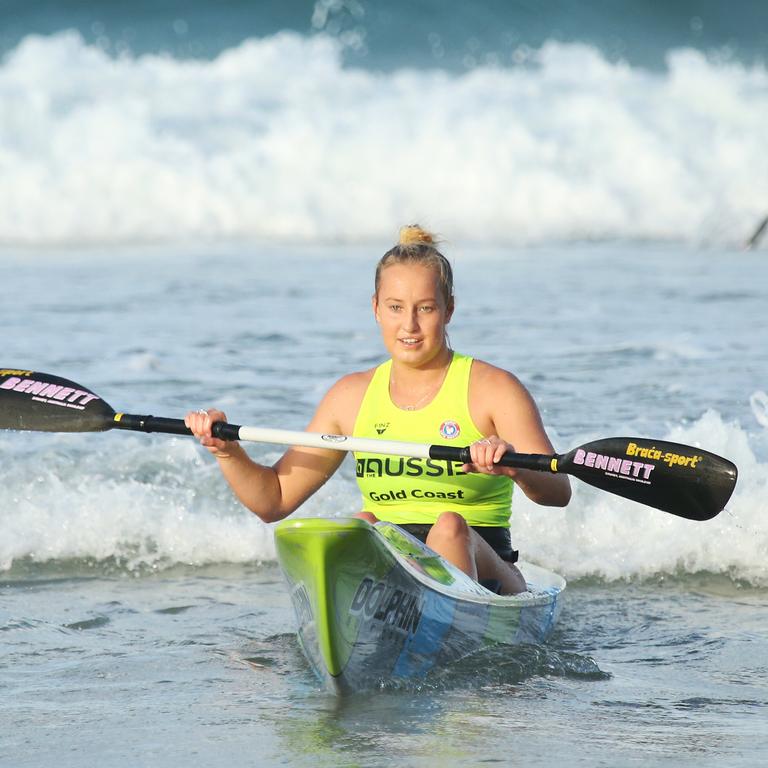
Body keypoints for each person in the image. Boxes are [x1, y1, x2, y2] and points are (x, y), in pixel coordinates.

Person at [185, 225, 571, 594]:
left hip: (485, 569)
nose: (410, 325)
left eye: (425, 308)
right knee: (361, 525)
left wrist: (515, 465)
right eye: (395, 307)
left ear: (448, 310)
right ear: (375, 308)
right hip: (395, 570)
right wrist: (227, 451)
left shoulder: (494, 389)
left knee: (449, 527)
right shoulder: (349, 396)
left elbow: (558, 491)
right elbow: (275, 500)